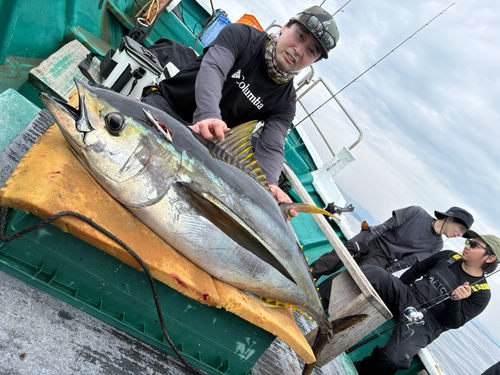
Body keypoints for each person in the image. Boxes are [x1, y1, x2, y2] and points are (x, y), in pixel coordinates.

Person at [142, 6, 339, 212]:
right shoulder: (242, 36)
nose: (299, 51)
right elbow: (214, 69)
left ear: (313, 61)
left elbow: (272, 146)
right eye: (300, 36)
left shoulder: (286, 102)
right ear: (285, 27)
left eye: (311, 51)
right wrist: (208, 114)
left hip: (206, 144)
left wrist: (269, 184)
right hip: (168, 106)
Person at [354, 230, 499, 375]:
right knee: (372, 272)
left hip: (426, 324)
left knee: (393, 359)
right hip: (407, 295)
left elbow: (452, 323)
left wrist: (455, 301)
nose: (467, 246)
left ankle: (356, 370)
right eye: (468, 242)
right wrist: (397, 291)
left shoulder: (482, 294)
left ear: (490, 258)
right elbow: (416, 271)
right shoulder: (448, 255)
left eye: (474, 245)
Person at [312, 206, 474, 307]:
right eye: (460, 228)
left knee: (356, 278)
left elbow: (406, 262)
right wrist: (362, 244)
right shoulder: (417, 213)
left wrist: (382, 273)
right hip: (372, 238)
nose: (459, 234)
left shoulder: (437, 245)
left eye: (462, 234)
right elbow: (385, 227)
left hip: (385, 258)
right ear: (450, 218)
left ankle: (319, 299)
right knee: (342, 254)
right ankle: (310, 273)